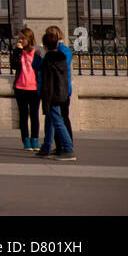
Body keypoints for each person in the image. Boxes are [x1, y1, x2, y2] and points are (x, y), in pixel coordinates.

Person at [37, 29, 76, 161]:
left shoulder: (49, 59)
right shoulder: (61, 57)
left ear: (46, 46)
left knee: (58, 122)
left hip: (52, 94)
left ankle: (68, 148)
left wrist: (45, 97)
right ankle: (47, 146)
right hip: (61, 92)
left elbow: (48, 81)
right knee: (51, 120)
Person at [10, 27, 43, 151]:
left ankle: (35, 139)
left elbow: (40, 67)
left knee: (34, 115)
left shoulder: (36, 52)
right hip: (20, 87)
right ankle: (25, 140)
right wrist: (18, 51)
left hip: (34, 88)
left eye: (23, 38)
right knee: (23, 115)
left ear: (29, 39)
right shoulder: (18, 52)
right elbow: (13, 65)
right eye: (19, 38)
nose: (20, 40)